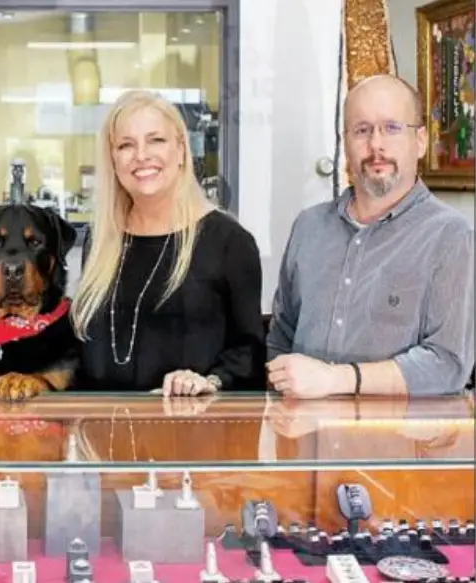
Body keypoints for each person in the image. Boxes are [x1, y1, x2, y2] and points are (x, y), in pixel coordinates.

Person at [266, 74, 475, 397]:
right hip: (306, 436)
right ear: (344, 142)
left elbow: (447, 365)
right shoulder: (309, 227)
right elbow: (280, 339)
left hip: (395, 441)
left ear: (420, 141)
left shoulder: (450, 235)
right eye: (362, 130)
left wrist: (336, 380)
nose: (376, 145)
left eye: (391, 128)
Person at [71, 90, 266, 395]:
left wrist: (209, 383)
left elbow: (249, 353)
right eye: (126, 145)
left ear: (181, 149)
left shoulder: (229, 242)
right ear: (113, 158)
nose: (141, 155)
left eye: (156, 140)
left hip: (187, 432)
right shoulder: (99, 241)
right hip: (103, 434)